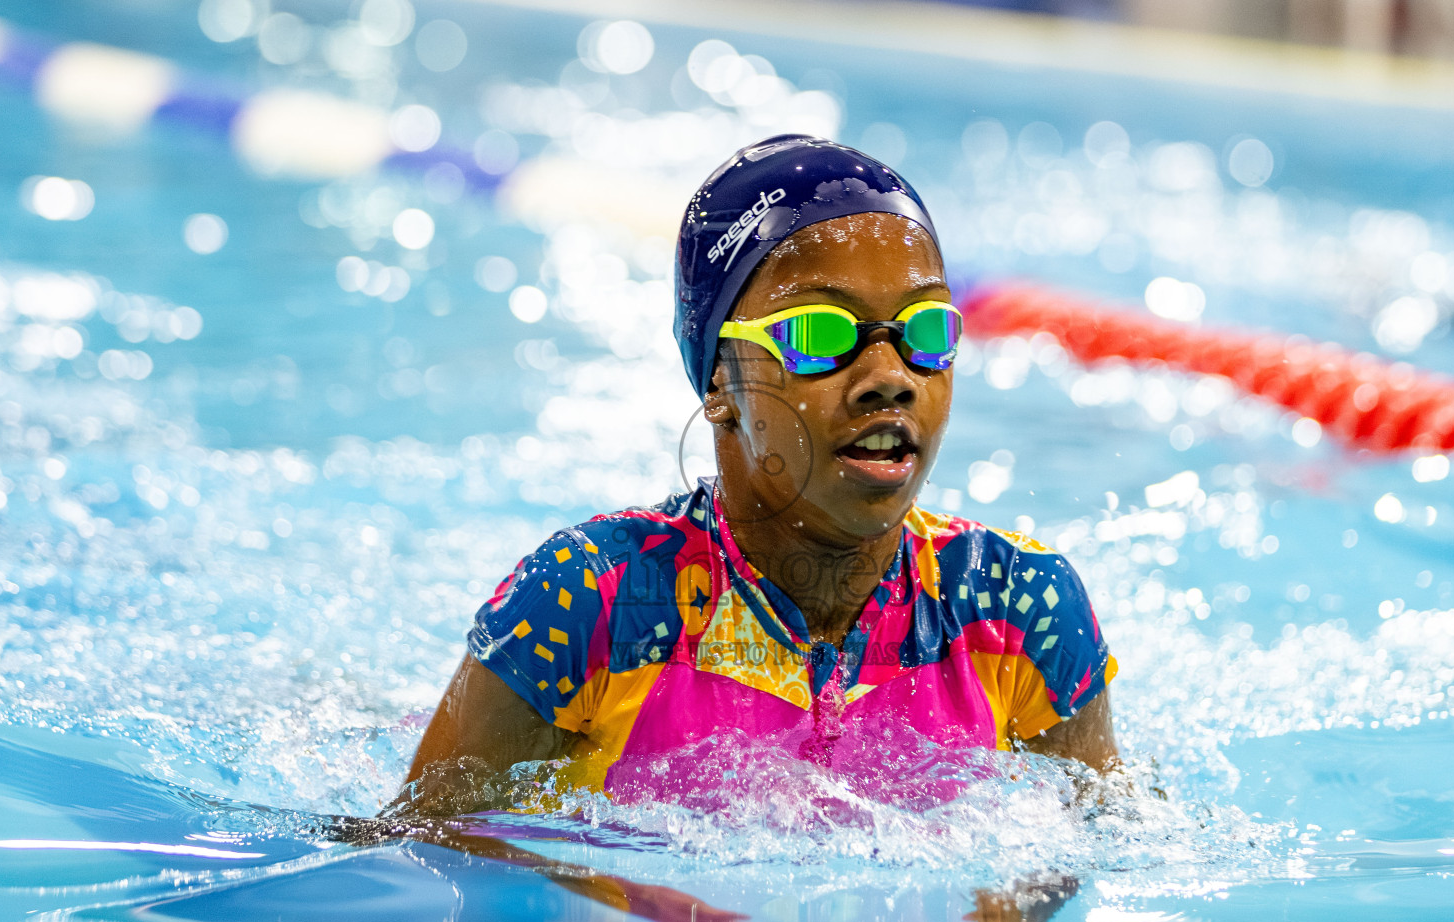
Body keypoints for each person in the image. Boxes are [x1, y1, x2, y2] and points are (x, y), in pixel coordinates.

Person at [395, 134, 1117, 817]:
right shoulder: (593, 606)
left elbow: (1088, 868)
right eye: (819, 335)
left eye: (925, 332)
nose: (890, 378)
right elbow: (427, 863)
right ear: (718, 380)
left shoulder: (1017, 610)